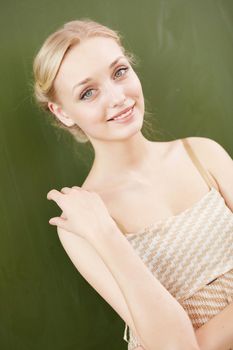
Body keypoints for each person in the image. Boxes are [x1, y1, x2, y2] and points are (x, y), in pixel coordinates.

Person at [33, 19, 233, 350]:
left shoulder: (202, 153)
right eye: (88, 92)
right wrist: (107, 235)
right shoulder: (81, 223)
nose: (118, 97)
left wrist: (204, 340)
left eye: (120, 72)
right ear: (63, 112)